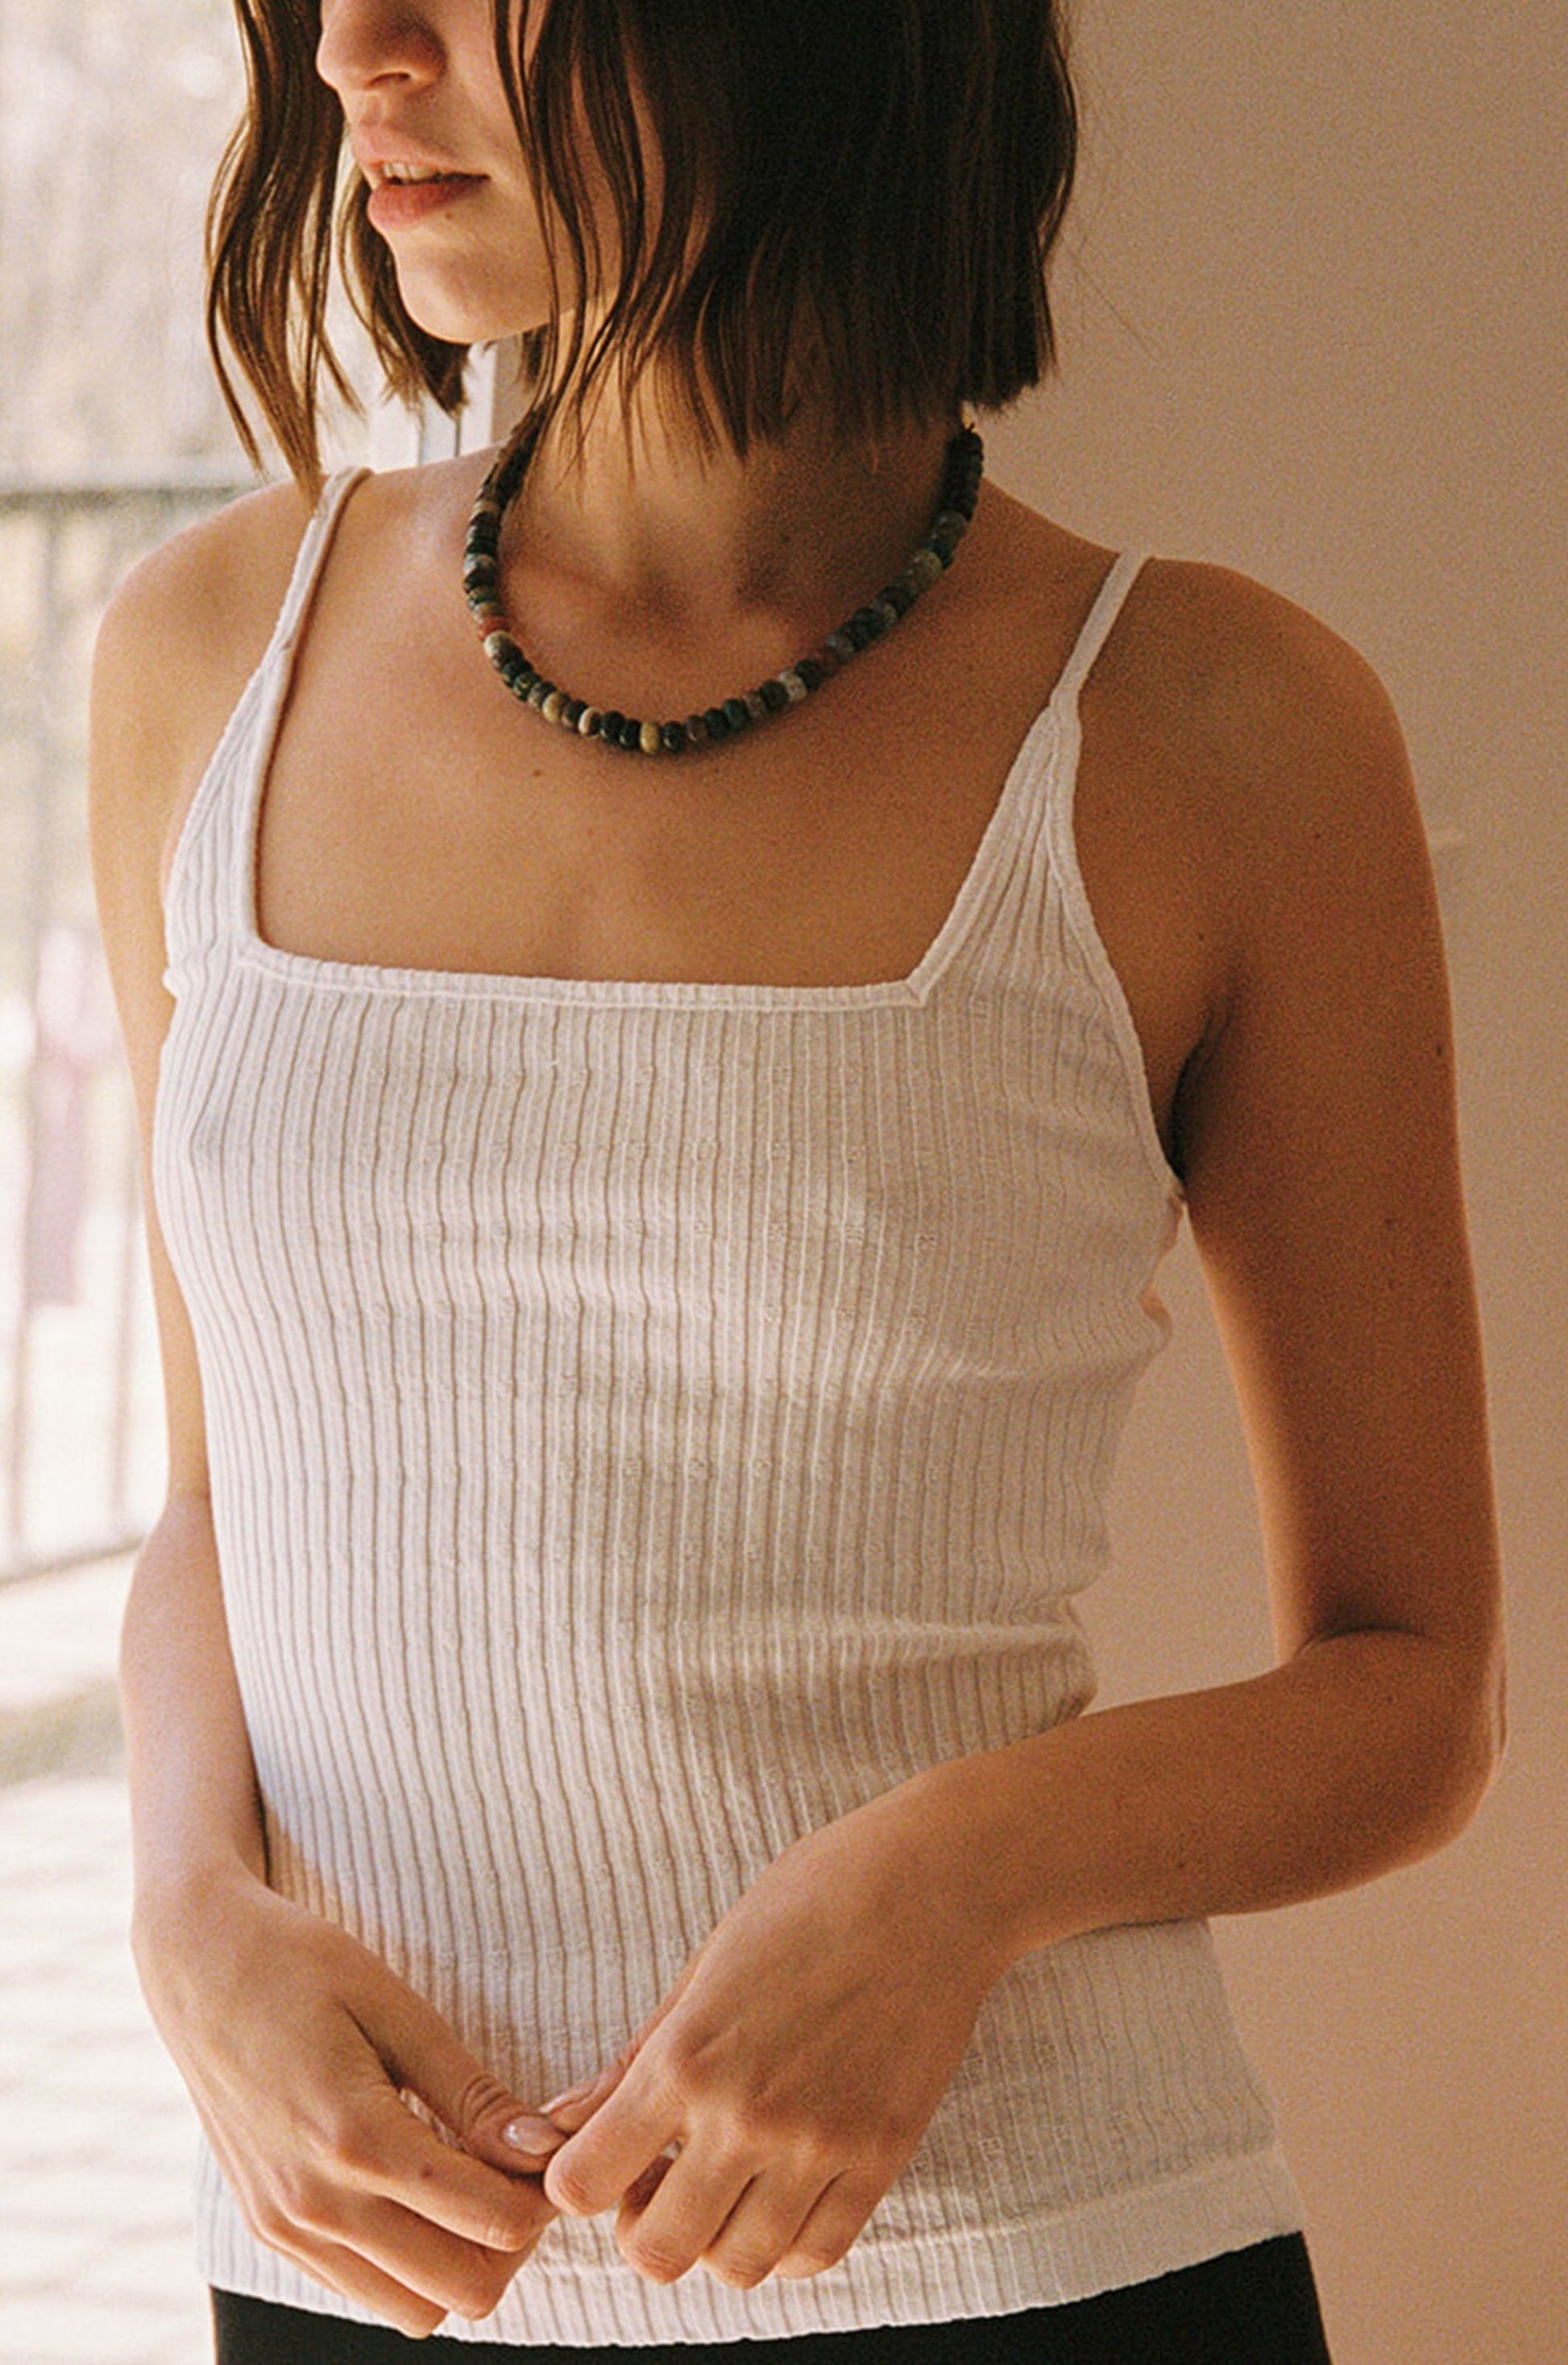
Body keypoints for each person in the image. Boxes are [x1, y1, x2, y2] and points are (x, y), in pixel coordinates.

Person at [87, 3, 1505, 2360]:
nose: (357, 46)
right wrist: (184, 1926)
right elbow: (224, 1509)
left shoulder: (1211, 732)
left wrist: (943, 1881)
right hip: (358, 2280)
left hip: (1032, 2269)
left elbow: (1406, 1689)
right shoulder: (208, 657)